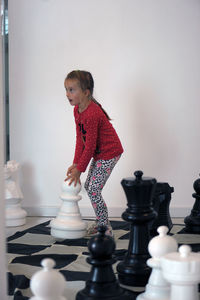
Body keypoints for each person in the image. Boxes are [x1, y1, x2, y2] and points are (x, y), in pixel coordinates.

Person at [64, 70, 123, 236]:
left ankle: (105, 229)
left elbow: (89, 146)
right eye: (66, 90)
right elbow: (80, 139)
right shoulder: (77, 110)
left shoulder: (92, 113)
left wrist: (79, 170)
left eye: (72, 90)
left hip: (110, 152)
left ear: (86, 92)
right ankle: (101, 223)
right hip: (99, 153)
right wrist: (76, 163)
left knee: (93, 189)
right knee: (90, 187)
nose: (67, 94)